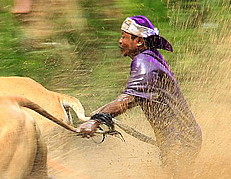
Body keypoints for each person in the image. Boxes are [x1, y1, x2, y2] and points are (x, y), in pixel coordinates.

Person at [76, 15, 202, 162]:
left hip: (180, 140)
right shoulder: (151, 58)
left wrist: (95, 120)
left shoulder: (144, 63)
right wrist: (99, 113)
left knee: (176, 174)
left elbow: (128, 100)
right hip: (180, 137)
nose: (120, 41)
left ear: (139, 41)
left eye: (124, 37)